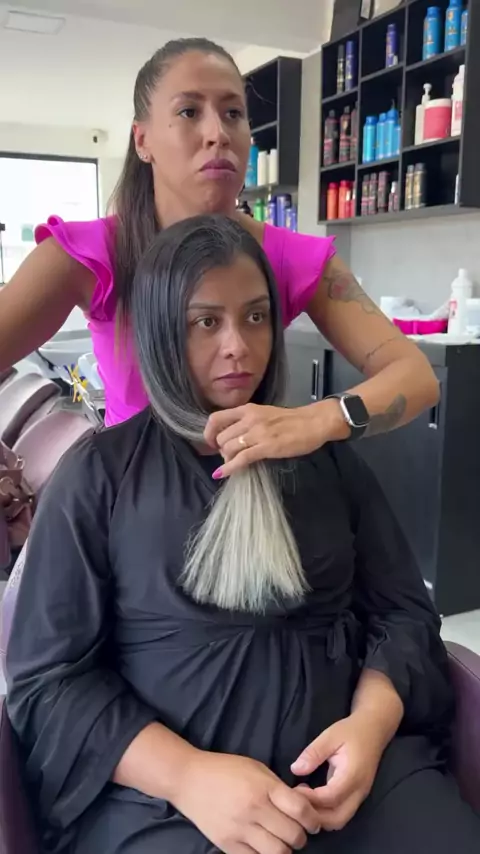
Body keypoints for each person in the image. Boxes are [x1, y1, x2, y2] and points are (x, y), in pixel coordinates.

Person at [6, 215, 479, 854]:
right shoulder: (100, 477)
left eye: (256, 317)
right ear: (161, 333)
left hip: (352, 780)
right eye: (206, 322)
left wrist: (369, 728)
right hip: (168, 805)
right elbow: (49, 681)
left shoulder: (328, 462)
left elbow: (403, 613)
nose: (238, 346)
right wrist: (187, 777)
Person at [0, 37, 438, 476]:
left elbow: (415, 376)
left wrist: (320, 419)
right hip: (125, 502)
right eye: (189, 112)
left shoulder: (292, 258)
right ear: (142, 139)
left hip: (249, 498)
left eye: (233, 114)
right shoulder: (85, 255)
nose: (219, 134)